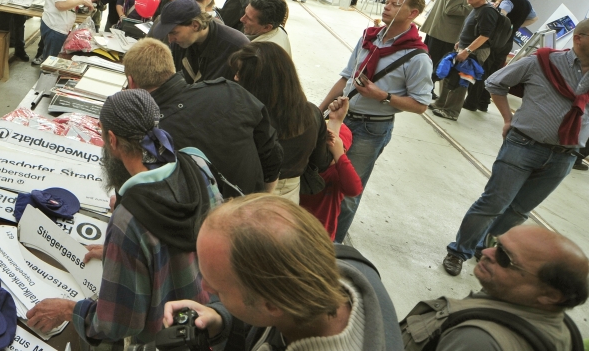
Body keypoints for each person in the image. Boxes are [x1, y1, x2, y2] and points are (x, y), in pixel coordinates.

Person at [25, 90, 223, 348]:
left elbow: (118, 324)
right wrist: (120, 254)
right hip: (206, 321)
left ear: (112, 139)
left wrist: (68, 310)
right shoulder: (198, 163)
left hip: (161, 341)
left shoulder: (127, 221)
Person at [442, 19, 589, 276]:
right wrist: (508, 119)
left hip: (565, 156)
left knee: (519, 210)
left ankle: (485, 248)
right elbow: (495, 82)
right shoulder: (543, 61)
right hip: (523, 144)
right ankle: (458, 252)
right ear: (579, 38)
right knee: (493, 203)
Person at [162, 194, 404, 351]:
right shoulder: (334, 263)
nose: (204, 288)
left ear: (273, 305)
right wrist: (222, 320)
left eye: (220, 291)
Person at [318, 0, 433, 243]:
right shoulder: (370, 38)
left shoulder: (417, 57)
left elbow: (421, 104)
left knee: (348, 191)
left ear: (412, 13)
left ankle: (334, 246)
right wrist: (320, 108)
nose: (387, 6)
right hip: (341, 117)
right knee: (322, 177)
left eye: (395, 4)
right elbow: (347, 77)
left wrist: (383, 96)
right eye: (387, 1)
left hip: (371, 129)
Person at [123, 38, 282, 198]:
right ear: (171, 67)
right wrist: (261, 199)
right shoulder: (231, 92)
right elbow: (271, 153)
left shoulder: (147, 135)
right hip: (251, 210)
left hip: (199, 219)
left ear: (131, 82)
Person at [412, 226, 588, 348]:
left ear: (550, 295)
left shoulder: (477, 340)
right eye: (496, 244)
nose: (486, 253)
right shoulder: (563, 326)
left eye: (504, 257)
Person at [232, 42, 329, 202]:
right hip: (288, 197)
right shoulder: (312, 114)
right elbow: (321, 162)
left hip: (245, 195)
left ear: (258, 80)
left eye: (240, 73)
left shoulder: (244, 117)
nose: (235, 77)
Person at [430, 0, 498, 121]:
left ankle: (451, 111)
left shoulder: (487, 12)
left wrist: (467, 50)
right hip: (464, 48)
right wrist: (460, 43)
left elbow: (485, 36)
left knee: (461, 81)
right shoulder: (475, 9)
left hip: (474, 52)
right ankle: (441, 103)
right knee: (448, 75)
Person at [300, 97, 363, 241]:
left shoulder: (337, 173)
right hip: (295, 230)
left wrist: (339, 155)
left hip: (321, 238)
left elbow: (354, 189)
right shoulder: (303, 164)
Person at [149, 0, 249, 83]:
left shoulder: (237, 47)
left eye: (174, 33)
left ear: (195, 25)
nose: (170, 40)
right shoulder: (179, 44)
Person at [421, 0, 479, 81]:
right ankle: (426, 87)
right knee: (437, 62)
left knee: (429, 60)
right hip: (445, 33)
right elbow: (451, 9)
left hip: (436, 28)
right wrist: (471, 6)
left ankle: (424, 85)